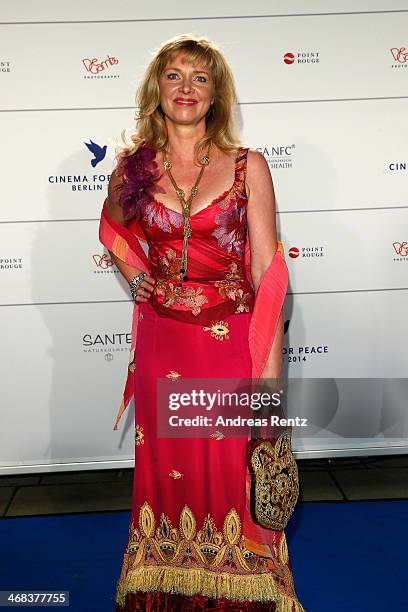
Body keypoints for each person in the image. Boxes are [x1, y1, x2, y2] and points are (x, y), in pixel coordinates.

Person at [99, 34, 304, 612]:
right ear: (156, 88)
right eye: (174, 75)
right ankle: (165, 589)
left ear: (216, 95)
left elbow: (268, 276)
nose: (185, 88)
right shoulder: (131, 170)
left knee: (232, 475)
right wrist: (133, 270)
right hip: (164, 348)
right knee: (169, 477)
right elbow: (112, 228)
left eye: (200, 78)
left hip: (229, 349)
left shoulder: (248, 167)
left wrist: (270, 389)